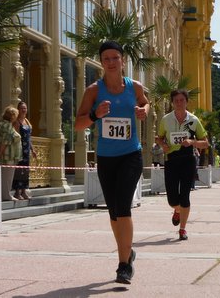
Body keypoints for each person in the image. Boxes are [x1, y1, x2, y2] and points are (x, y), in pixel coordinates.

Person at [74, 41, 150, 284]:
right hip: (106, 158)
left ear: (123, 60)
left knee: (123, 206)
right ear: (101, 62)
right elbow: (78, 123)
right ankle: (127, 252)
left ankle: (123, 265)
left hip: (131, 155)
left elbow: (145, 102)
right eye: (106, 58)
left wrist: (144, 111)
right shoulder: (93, 91)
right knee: (114, 211)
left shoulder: (134, 86)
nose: (111, 62)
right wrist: (96, 115)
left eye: (115, 57)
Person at [156, 89, 208, 241]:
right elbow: (159, 138)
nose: (179, 103)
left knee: (185, 196)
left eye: (182, 100)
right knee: (172, 199)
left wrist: (192, 142)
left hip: (187, 159)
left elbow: (205, 143)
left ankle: (183, 229)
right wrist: (163, 145)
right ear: (172, 102)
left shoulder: (193, 120)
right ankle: (177, 210)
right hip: (171, 159)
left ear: (186, 102)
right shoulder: (166, 119)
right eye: (176, 100)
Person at [0, 105, 22, 201]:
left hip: (9, 155)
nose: (16, 117)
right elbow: (5, 141)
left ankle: (5, 194)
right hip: (8, 155)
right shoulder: (6, 125)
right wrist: (1, 152)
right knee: (7, 177)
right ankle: (6, 195)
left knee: (6, 176)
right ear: (11, 115)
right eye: (15, 115)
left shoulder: (4, 124)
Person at [12, 101, 37, 200]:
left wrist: (33, 149)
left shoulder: (27, 121)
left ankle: (24, 191)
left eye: (25, 108)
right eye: (22, 108)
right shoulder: (16, 122)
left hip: (27, 150)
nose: (24, 110)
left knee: (26, 171)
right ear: (18, 109)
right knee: (19, 170)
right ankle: (17, 192)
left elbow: (29, 137)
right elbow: (16, 136)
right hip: (19, 149)